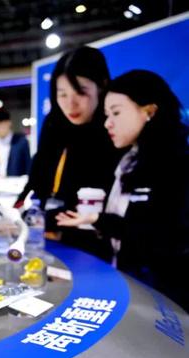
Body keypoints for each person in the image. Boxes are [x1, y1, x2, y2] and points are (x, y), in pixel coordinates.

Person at [56, 70, 189, 311]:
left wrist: (98, 220)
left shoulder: (175, 163)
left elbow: (162, 236)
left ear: (149, 111)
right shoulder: (129, 160)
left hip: (166, 302)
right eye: (107, 114)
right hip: (133, 290)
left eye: (116, 113)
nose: (108, 123)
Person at [17, 46, 122, 260]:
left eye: (81, 92)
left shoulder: (113, 130)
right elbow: (39, 179)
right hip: (51, 239)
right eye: (62, 94)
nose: (70, 104)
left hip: (98, 245)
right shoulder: (54, 123)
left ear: (102, 86)